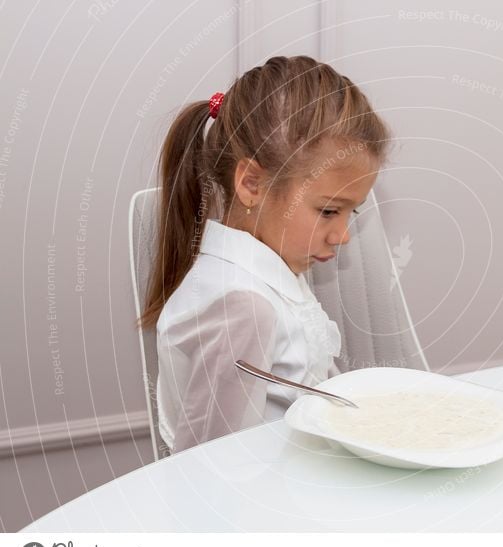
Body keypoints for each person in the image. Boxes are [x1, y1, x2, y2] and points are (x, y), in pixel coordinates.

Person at [137, 55, 389, 453]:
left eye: (350, 212)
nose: (342, 235)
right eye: (328, 211)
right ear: (251, 184)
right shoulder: (241, 308)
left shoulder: (270, 268)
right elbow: (213, 464)